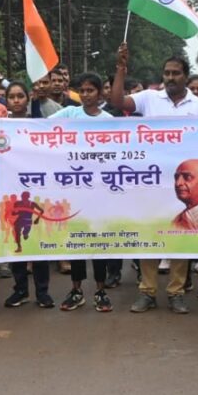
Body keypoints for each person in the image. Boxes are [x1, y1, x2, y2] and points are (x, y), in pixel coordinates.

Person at [109, 44, 198, 314]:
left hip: (184, 184)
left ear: (186, 76)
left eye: (175, 73)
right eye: (166, 73)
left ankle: (176, 292)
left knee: (180, 236)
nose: (170, 77)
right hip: (151, 181)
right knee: (149, 235)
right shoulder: (149, 98)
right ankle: (147, 291)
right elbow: (117, 101)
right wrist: (121, 68)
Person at [49, 72, 117, 312]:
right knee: (76, 242)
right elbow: (40, 127)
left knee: (98, 243)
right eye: (83, 91)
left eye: (91, 90)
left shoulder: (109, 120)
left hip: (100, 189)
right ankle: (76, 290)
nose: (86, 95)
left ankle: (100, 291)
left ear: (100, 93)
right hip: (73, 187)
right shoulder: (69, 113)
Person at [1, 82, 54, 309]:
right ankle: (20, 290)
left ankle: (42, 292)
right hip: (9, 190)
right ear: (6, 100)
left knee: (38, 244)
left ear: (27, 98)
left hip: (37, 188)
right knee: (17, 245)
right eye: (11, 96)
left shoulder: (39, 124)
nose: (16, 100)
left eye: (20, 96)